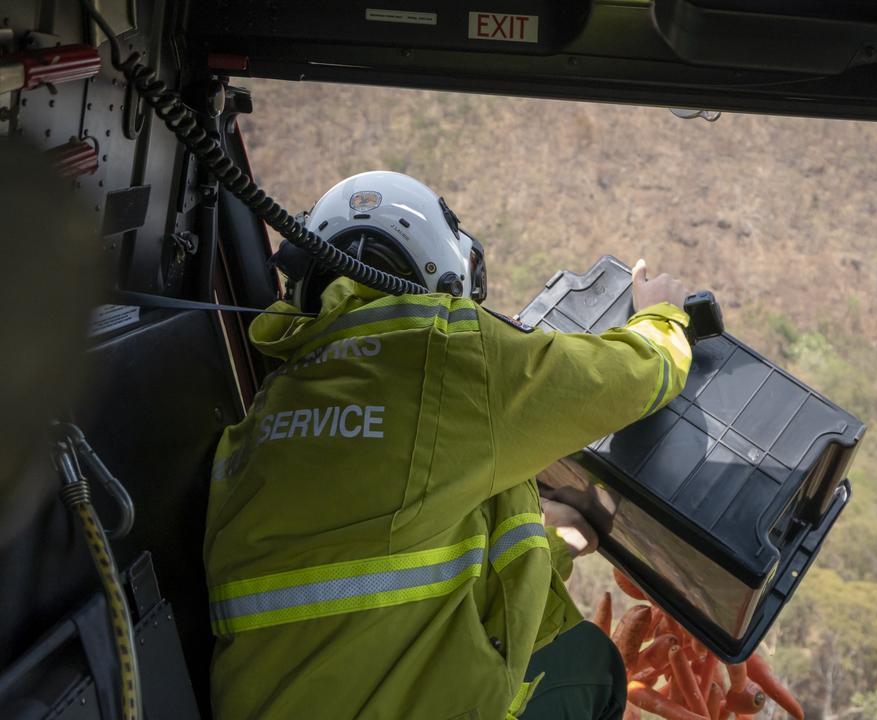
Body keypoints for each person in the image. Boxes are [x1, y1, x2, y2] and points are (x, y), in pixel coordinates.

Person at [203, 171, 695, 719]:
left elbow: (385, 550)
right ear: (447, 274)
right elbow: (629, 380)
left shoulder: (266, 412)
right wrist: (662, 317)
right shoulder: (443, 355)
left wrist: (544, 541)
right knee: (592, 666)